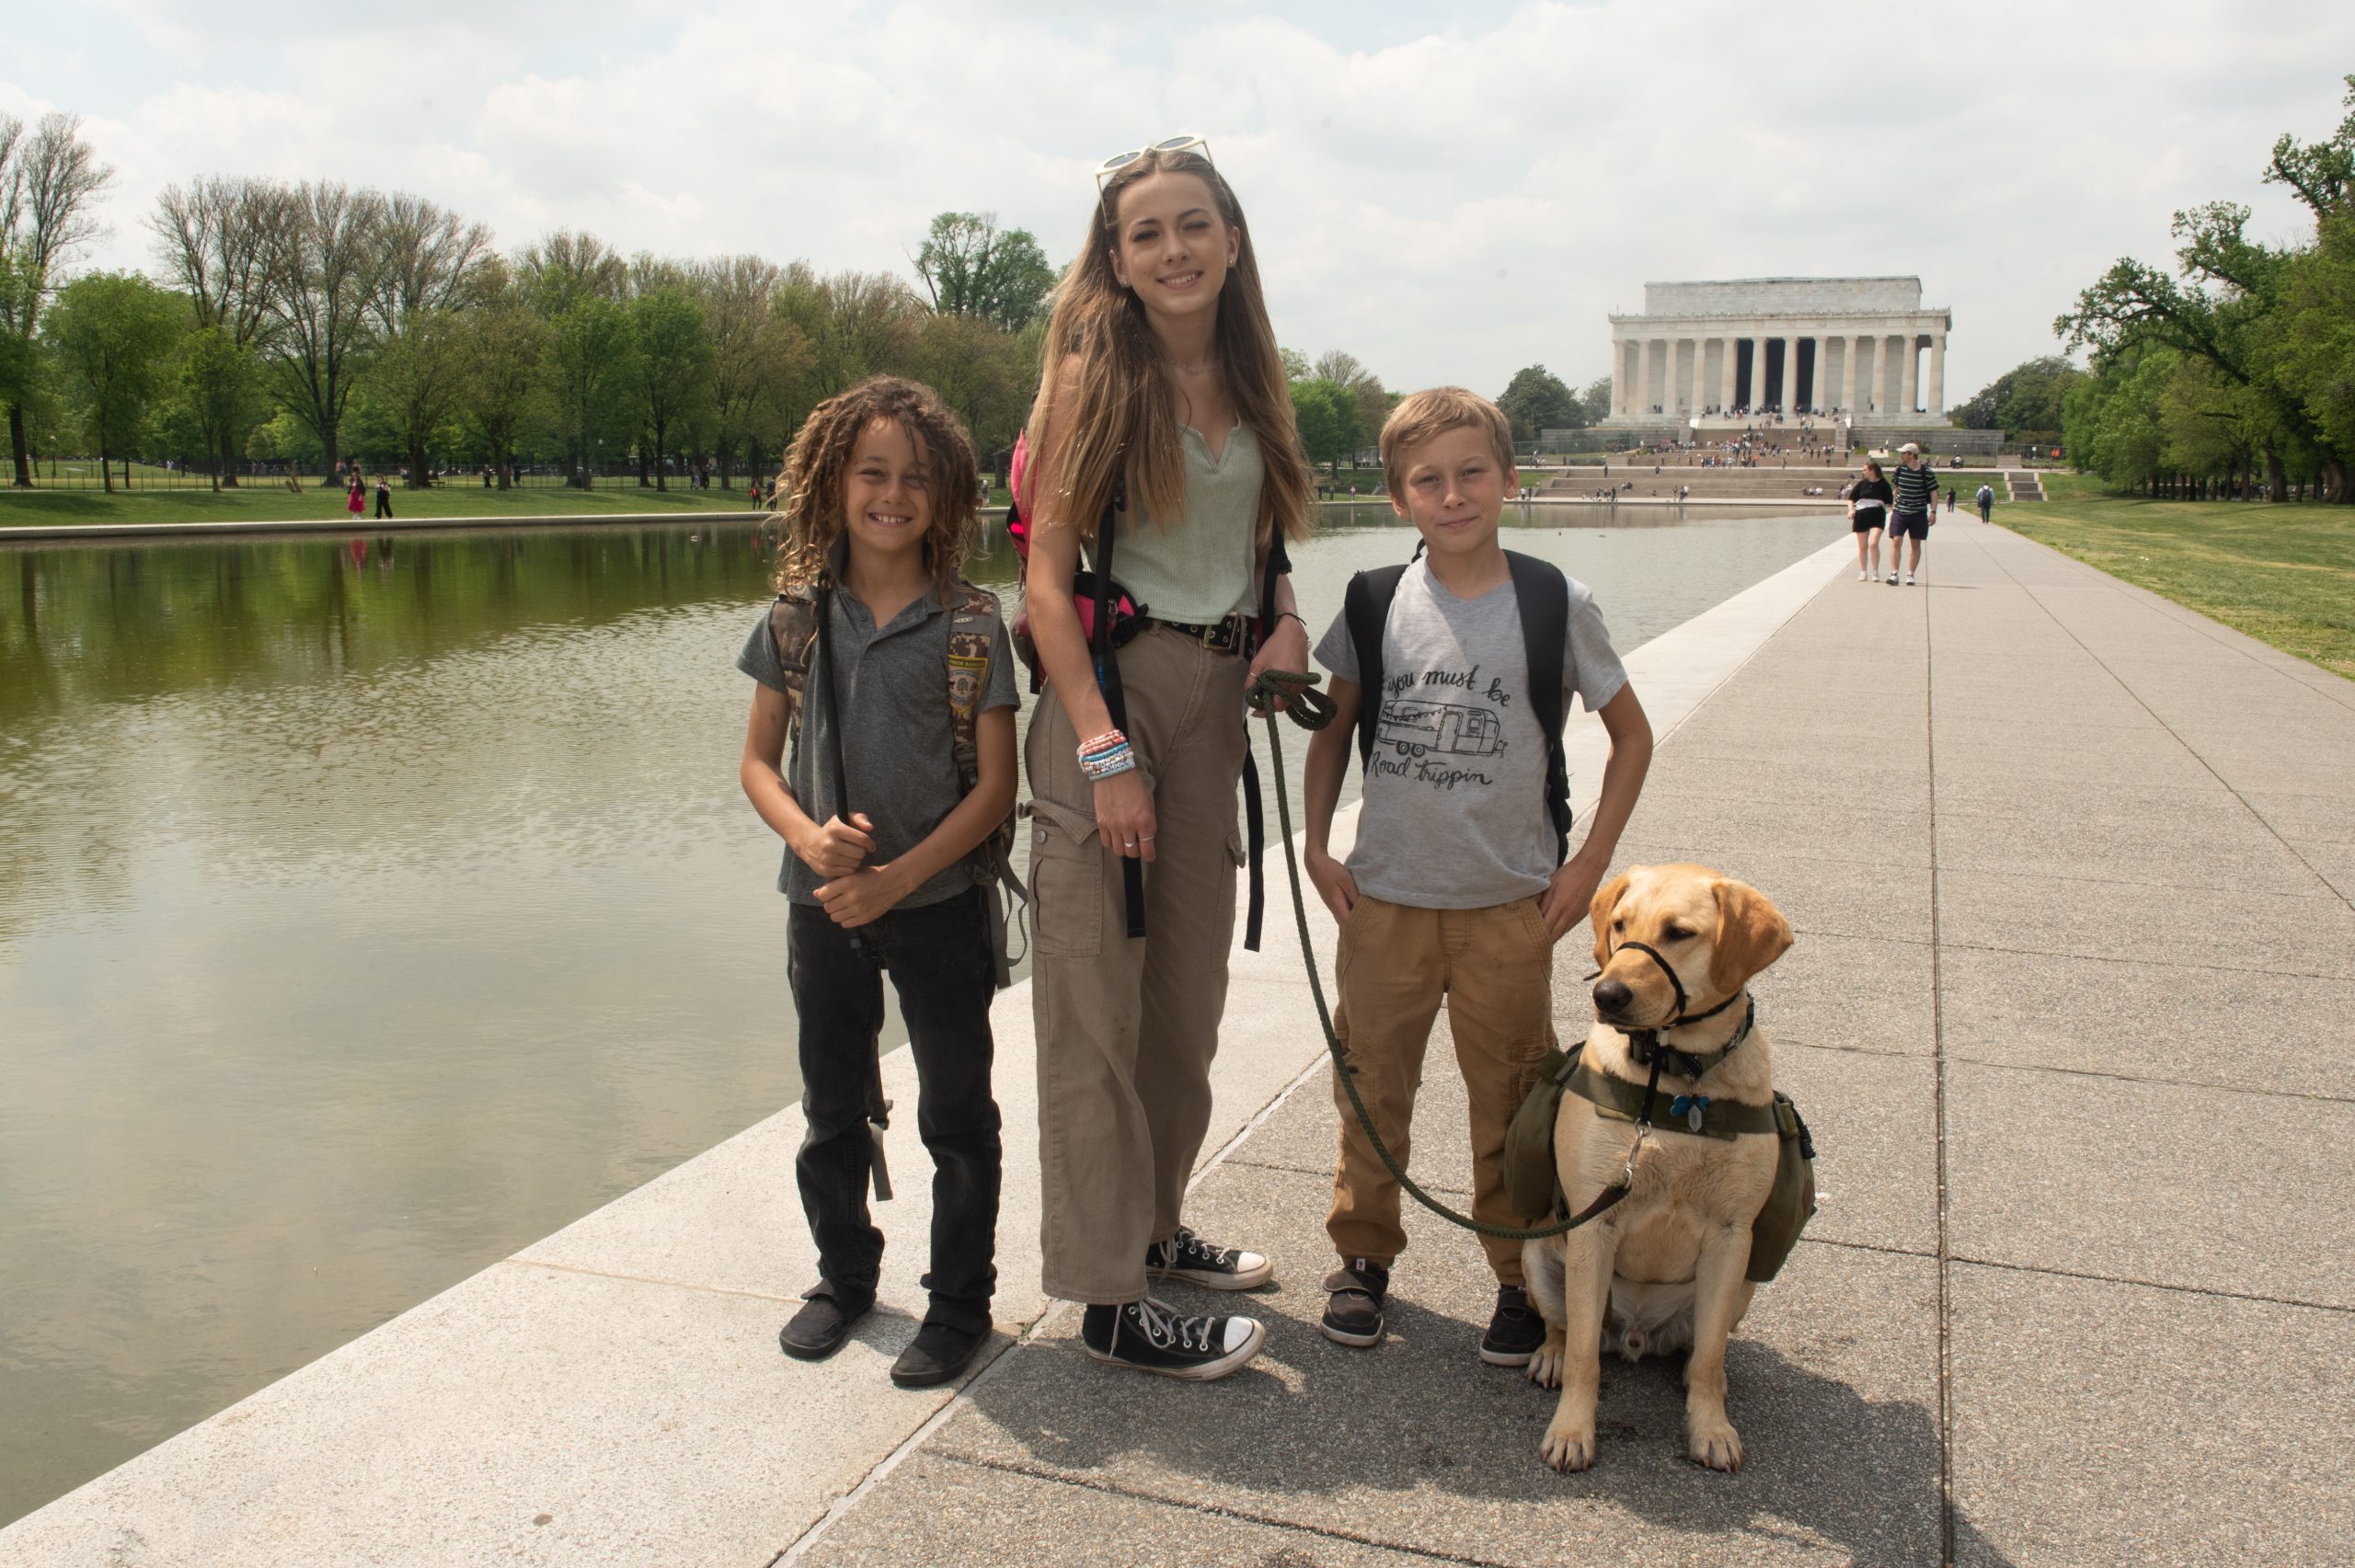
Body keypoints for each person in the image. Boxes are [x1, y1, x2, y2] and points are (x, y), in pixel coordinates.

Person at [1017, 136, 1314, 1380]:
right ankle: (1107, 1299)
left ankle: (1153, 1228)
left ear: (1232, 239)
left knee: (1184, 1006)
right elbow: (1043, 579)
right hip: (1114, 692)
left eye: (1196, 224)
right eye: (1148, 232)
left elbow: (1260, 538)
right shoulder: (1094, 377)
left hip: (1216, 704)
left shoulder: (1255, 377)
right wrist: (1101, 747)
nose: (1175, 249)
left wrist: (1287, 609)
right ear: (1118, 258)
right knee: (1095, 1006)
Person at [1299, 387, 1652, 1361]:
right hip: (1387, 903)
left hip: (1508, 908)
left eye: (1470, 473)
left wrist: (1590, 867)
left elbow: (1631, 739)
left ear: (1506, 479)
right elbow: (1331, 732)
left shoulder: (1553, 602)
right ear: (1397, 495)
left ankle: (1515, 1274)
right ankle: (1362, 1257)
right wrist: (1316, 843)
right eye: (1428, 480)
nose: (1452, 495)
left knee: (1509, 1098)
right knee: (1371, 1089)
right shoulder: (1373, 600)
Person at [736, 376, 1019, 1390]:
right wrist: (812, 842)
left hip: (938, 909)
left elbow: (995, 792)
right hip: (823, 910)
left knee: (956, 1113)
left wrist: (897, 876)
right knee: (830, 1104)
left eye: (915, 478)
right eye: (872, 473)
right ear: (831, 484)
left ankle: (958, 1304)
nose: (892, 494)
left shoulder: (974, 624)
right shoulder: (793, 619)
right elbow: (756, 766)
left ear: (947, 496)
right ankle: (844, 1277)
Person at [1888, 441, 1938, 585]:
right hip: (1900, 511)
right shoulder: (1899, 470)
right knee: (1896, 540)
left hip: (1918, 512)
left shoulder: (1926, 472)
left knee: (1915, 543)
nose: (1901, 456)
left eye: (1903, 453)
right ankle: (1894, 573)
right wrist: (1893, 505)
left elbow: (1934, 493)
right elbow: (1896, 488)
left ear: (1911, 455)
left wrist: (1933, 512)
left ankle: (1910, 574)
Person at [1849, 458, 1892, 580]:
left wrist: (1894, 512)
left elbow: (1890, 502)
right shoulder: (1862, 484)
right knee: (1862, 546)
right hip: (1862, 514)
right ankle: (1863, 572)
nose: (1863, 472)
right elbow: (1851, 499)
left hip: (1877, 513)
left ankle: (1875, 571)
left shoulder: (1884, 484)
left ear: (1872, 470)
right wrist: (1851, 509)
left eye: (1865, 470)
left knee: (1873, 543)